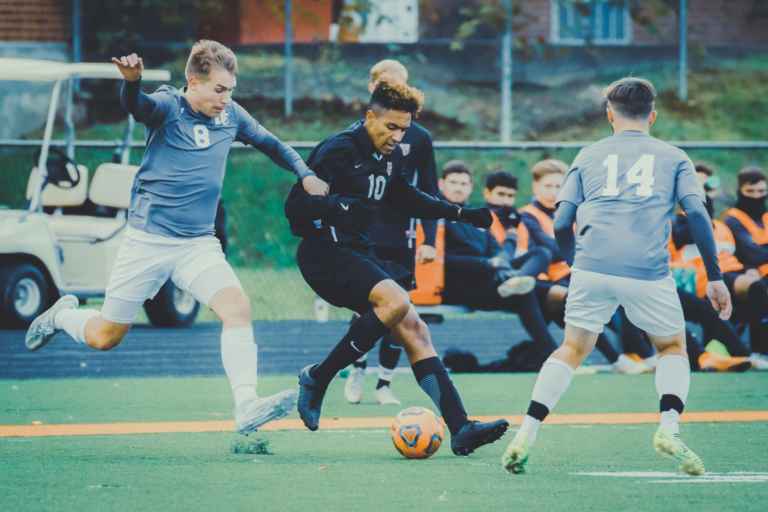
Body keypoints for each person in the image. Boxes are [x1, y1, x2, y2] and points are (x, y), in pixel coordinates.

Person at [24, 41, 330, 436]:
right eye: (219, 90)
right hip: (147, 243)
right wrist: (131, 84)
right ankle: (61, 315)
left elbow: (272, 144)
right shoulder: (168, 106)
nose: (226, 98)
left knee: (236, 307)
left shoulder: (231, 116)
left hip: (197, 245)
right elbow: (139, 108)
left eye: (231, 90)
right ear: (193, 83)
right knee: (105, 336)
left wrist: (304, 173)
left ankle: (246, 405)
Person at [501, 77, 732, 476]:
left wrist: (575, 262)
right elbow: (697, 215)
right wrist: (715, 276)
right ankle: (668, 428)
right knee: (673, 347)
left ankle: (528, 431)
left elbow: (561, 220)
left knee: (571, 349)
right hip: (647, 271)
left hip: (592, 267)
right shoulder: (674, 156)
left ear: (610, 114)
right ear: (652, 116)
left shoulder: (588, 154)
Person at [285, 80, 509, 455]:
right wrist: (337, 206)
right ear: (369, 116)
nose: (397, 136)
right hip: (323, 254)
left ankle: (461, 427)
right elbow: (295, 209)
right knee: (396, 301)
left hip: (357, 251)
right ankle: (318, 378)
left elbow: (405, 196)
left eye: (403, 129)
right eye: (390, 127)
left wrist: (460, 213)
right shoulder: (338, 150)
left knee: (415, 329)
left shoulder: (387, 155)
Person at [344, 59, 440, 406]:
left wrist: (429, 239)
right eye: (387, 86)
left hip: (400, 236)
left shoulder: (419, 138)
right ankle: (356, 369)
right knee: (364, 310)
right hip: (362, 234)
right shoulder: (356, 134)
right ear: (373, 90)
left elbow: (430, 189)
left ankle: (384, 383)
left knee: (399, 309)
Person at [522, 159, 651, 374]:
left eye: (558, 186)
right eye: (548, 186)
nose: (554, 192)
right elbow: (553, 250)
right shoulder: (527, 215)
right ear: (535, 187)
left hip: (577, 273)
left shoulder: (572, 212)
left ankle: (643, 354)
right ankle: (621, 358)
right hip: (550, 279)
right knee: (588, 301)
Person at [438, 162, 558, 364]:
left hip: (493, 278)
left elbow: (497, 251)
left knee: (541, 255)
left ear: (470, 187)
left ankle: (514, 281)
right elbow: (443, 260)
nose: (459, 187)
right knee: (527, 292)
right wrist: (490, 264)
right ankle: (554, 357)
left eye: (464, 183)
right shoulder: (436, 215)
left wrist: (503, 259)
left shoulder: (475, 216)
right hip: (461, 285)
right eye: (453, 182)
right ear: (442, 184)